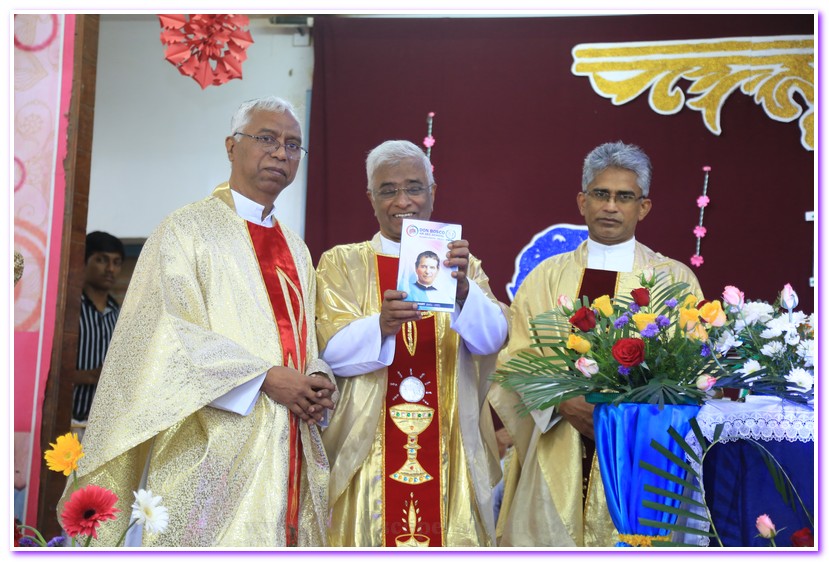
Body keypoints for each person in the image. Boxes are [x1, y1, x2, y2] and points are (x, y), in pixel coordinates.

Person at [57, 96, 337, 547]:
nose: (280, 153)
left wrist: (316, 376)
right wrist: (264, 378)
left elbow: (305, 340)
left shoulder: (298, 249)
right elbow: (164, 335)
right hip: (214, 453)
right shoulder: (185, 230)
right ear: (231, 146)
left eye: (292, 145)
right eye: (266, 138)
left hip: (289, 445)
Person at [491, 141, 704, 547]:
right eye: (601, 194)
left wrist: (627, 414)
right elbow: (518, 357)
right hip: (558, 442)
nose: (610, 206)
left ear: (643, 207)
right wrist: (561, 401)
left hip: (639, 453)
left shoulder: (673, 280)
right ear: (582, 201)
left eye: (624, 197)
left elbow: (692, 370)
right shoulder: (545, 277)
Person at [315, 140, 509, 547]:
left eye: (414, 188)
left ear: (432, 192)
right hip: (368, 449)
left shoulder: (461, 266)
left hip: (448, 444)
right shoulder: (342, 262)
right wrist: (380, 326)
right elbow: (328, 351)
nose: (402, 201)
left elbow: (493, 340)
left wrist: (463, 292)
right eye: (387, 190)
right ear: (370, 198)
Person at [73, 231, 124, 426]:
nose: (110, 269)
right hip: (66, 418)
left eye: (116, 262)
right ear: (84, 261)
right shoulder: (69, 311)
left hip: (104, 424)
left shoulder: (120, 315)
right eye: (102, 260)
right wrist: (87, 375)